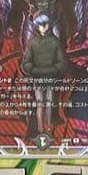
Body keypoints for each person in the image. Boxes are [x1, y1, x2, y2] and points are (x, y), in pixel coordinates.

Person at [21, 12, 67, 143]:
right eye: (40, 25)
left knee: (49, 105)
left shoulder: (55, 42)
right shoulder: (32, 42)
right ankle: (41, 131)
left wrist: (51, 71)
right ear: (36, 26)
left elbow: (62, 63)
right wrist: (35, 71)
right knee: (40, 105)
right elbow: (25, 63)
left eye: (45, 24)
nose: (43, 27)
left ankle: (49, 130)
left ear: (49, 25)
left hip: (50, 80)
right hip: (38, 80)